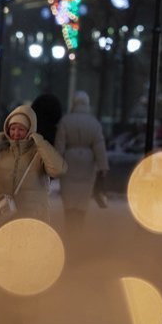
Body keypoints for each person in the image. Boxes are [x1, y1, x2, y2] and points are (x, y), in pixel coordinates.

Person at [0, 104, 67, 324]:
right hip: (4, 222)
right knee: (2, 271)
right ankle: (4, 323)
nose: (16, 133)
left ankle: (27, 323)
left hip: (31, 221)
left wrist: (40, 142)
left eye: (21, 129)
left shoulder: (39, 154)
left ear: (30, 130)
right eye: (12, 128)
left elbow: (58, 169)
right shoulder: (1, 153)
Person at [55, 91, 109, 243]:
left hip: (69, 162)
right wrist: (103, 166)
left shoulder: (65, 121)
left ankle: (70, 226)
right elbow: (99, 146)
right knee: (83, 197)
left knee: (69, 196)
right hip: (87, 163)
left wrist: (55, 164)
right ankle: (79, 225)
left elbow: (60, 145)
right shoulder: (94, 123)